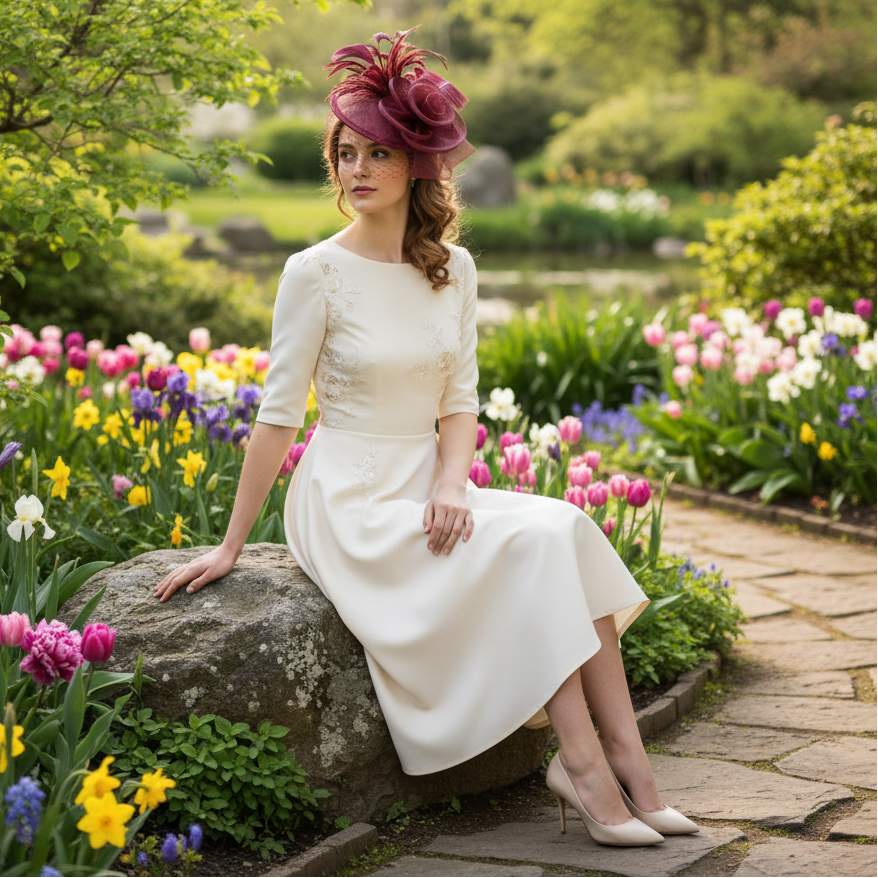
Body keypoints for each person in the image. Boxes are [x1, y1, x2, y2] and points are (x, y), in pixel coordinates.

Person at [154, 27, 697, 846]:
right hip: (349, 499)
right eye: (345, 154)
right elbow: (277, 415)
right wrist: (232, 547)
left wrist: (452, 483)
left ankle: (633, 765)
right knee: (532, 546)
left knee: (568, 526)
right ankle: (583, 766)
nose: (358, 170)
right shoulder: (314, 272)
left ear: (416, 164)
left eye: (376, 153)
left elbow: (461, 403)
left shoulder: (454, 268)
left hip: (427, 480)